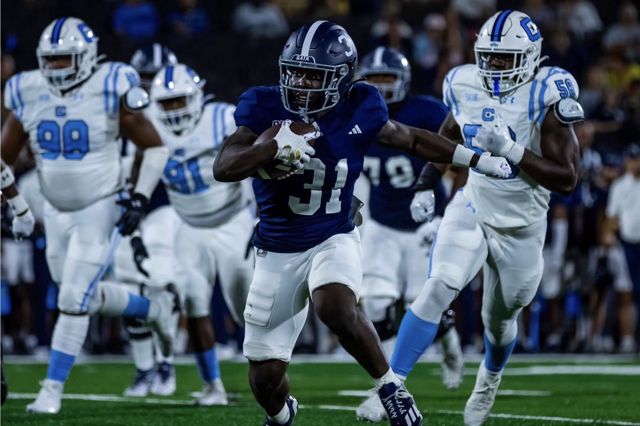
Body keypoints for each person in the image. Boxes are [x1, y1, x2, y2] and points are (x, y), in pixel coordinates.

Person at [213, 20, 511, 426]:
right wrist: (270, 148)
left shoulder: (360, 105)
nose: (300, 83)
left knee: (335, 305)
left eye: (312, 75)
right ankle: (282, 415)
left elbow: (411, 138)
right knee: (265, 377)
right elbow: (224, 166)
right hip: (276, 250)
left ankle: (391, 389)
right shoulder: (263, 107)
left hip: (333, 234)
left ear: (340, 78)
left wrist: (476, 160)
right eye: (295, 72)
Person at [389, 10, 582, 425]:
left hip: (523, 226)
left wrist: (513, 150)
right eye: (488, 56)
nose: (493, 65)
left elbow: (567, 179)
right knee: (439, 285)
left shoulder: (547, 92)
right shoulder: (463, 82)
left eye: (503, 58)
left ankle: (489, 377)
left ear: (530, 57)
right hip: (473, 205)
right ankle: (390, 384)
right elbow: (448, 135)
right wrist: (426, 182)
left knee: (499, 322)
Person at [1, 17, 175, 414]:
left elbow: (155, 147)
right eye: (51, 59)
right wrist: (20, 208)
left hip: (101, 204)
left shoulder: (110, 84)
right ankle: (155, 309)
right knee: (81, 296)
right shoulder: (28, 90)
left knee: (73, 297)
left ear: (86, 57)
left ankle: (51, 390)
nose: (56, 67)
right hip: (55, 211)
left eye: (65, 59)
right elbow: (2, 158)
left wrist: (139, 198)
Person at [354, 47, 464, 422]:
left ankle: (450, 343)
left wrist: (452, 198)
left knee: (424, 303)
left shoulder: (427, 111)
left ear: (403, 80)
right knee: (376, 303)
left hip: (425, 223)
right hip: (382, 222)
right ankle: (388, 385)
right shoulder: (357, 112)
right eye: (374, 79)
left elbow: (460, 152)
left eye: (387, 77)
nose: (381, 86)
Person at [149, 63, 255, 405]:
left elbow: (257, 158)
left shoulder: (222, 118)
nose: (174, 109)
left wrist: (259, 215)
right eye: (166, 103)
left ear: (196, 97)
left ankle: (270, 375)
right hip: (188, 226)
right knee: (193, 302)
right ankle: (212, 385)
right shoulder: (149, 125)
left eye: (179, 100)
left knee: (247, 309)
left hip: (232, 221)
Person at [122, 42, 179, 397]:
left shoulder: (175, 110)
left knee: (158, 281)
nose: (149, 83)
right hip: (126, 201)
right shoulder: (120, 106)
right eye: (144, 76)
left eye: (155, 76)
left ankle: (166, 362)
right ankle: (144, 367)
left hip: (162, 201)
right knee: (128, 286)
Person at [602, 143, 640, 353]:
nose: (634, 163)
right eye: (631, 159)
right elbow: (611, 216)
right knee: (625, 292)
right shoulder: (619, 186)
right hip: (626, 244)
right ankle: (626, 338)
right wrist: (607, 238)